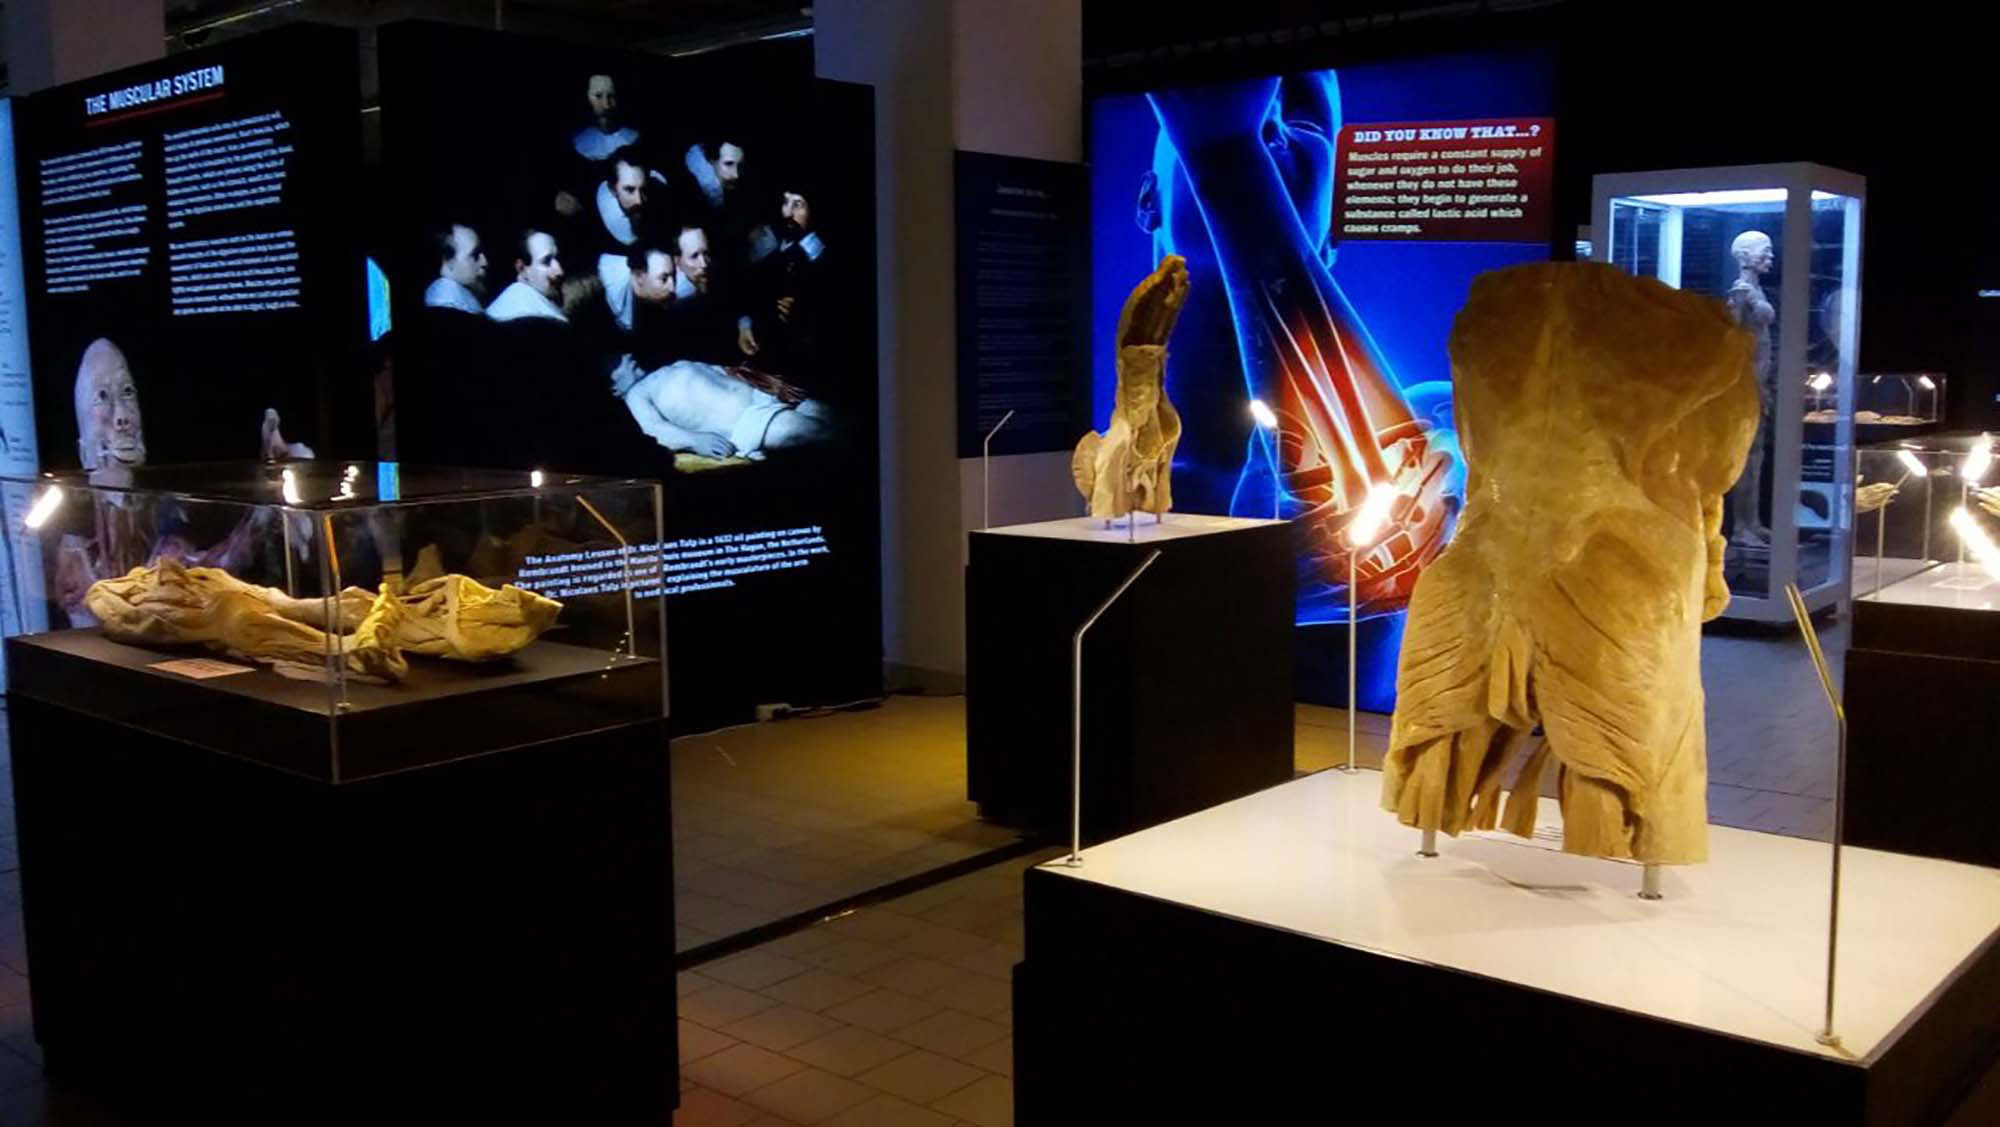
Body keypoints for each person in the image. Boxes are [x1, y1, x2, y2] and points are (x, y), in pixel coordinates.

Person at [612, 356, 830, 461]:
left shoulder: (670, 367)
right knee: (805, 430)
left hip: (763, 399)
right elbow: (652, 428)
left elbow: (726, 372)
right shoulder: (635, 394)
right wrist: (694, 440)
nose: (627, 357)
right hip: (746, 423)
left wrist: (765, 383)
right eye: (618, 362)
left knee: (823, 412)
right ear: (614, 388)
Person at [487, 230, 568, 323]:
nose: (559, 271)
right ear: (522, 269)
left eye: (558, 259)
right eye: (546, 261)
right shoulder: (527, 319)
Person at [599, 241, 677, 335]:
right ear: (639, 276)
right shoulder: (600, 291)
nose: (672, 288)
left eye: (673, 276)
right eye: (664, 279)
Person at [424, 223, 488, 314]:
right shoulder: (446, 301)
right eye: (475, 255)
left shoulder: (457, 295)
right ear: (448, 261)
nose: (484, 262)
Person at [573, 74, 637, 161]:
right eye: (598, 96)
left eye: (611, 96)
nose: (606, 105)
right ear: (587, 98)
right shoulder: (580, 141)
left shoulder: (633, 138)